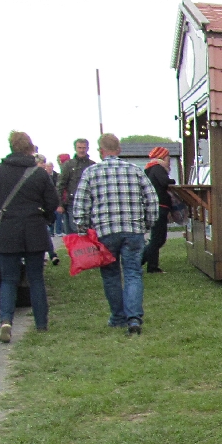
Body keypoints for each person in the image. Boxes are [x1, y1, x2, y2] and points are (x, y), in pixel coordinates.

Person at [71, 134, 159, 335]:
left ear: (100, 151)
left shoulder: (91, 172)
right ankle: (134, 318)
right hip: (133, 230)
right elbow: (152, 199)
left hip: (105, 231)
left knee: (110, 275)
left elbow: (81, 204)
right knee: (133, 273)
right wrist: (148, 222)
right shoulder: (135, 171)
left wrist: (83, 228)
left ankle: (118, 317)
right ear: (119, 150)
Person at [0, 131, 60, 342]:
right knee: (36, 278)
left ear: (11, 146)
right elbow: (52, 202)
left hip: (7, 230)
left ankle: (6, 320)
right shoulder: (39, 174)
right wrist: (46, 218)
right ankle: (41, 324)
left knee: (8, 280)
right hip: (34, 229)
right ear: (30, 148)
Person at [141, 147, 175, 274]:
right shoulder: (157, 168)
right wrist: (173, 182)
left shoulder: (149, 168)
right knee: (158, 239)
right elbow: (165, 182)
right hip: (159, 206)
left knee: (157, 238)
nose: (169, 161)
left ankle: (150, 264)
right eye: (168, 158)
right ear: (162, 157)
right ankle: (143, 262)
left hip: (154, 206)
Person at [57, 139, 95, 235]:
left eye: (84, 148)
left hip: (90, 204)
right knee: (75, 232)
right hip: (72, 203)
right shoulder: (68, 165)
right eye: (79, 148)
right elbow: (60, 185)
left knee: (90, 231)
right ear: (75, 148)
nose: (82, 150)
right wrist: (59, 204)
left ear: (88, 148)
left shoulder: (92, 165)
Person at [34, 155, 60, 266]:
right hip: (37, 209)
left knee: (46, 233)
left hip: (43, 209)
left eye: (44, 162)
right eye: (41, 162)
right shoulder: (35, 176)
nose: (43, 164)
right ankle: (50, 255)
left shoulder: (45, 175)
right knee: (43, 233)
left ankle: (51, 254)